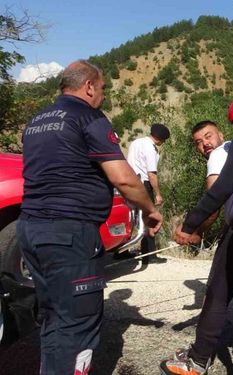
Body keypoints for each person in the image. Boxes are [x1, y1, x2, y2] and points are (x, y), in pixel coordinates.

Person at [17, 60, 162, 375]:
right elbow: (123, 179)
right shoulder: (88, 116)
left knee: (54, 317)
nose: (104, 97)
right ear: (89, 87)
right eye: (103, 89)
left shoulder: (37, 121)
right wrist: (149, 210)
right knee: (78, 325)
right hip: (69, 234)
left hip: (30, 230)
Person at [160, 91, 233, 375]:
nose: (204, 145)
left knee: (218, 293)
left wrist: (190, 228)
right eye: (198, 142)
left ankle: (198, 359)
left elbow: (216, 195)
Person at [126, 123, 170, 261]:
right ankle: (149, 255)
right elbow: (151, 174)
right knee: (149, 217)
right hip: (143, 184)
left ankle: (121, 250)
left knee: (130, 217)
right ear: (160, 139)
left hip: (130, 181)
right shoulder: (150, 149)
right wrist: (157, 193)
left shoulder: (136, 142)